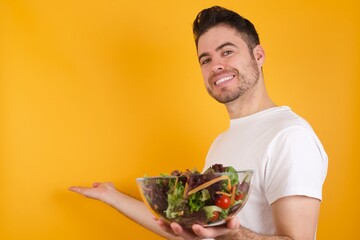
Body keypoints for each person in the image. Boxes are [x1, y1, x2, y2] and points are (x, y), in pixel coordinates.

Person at [69, 6, 328, 240]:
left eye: (227, 51)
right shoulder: (222, 143)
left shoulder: (289, 136)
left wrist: (235, 235)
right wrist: (112, 197)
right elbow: (196, 233)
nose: (216, 66)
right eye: (206, 59)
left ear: (258, 55)